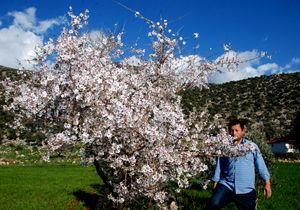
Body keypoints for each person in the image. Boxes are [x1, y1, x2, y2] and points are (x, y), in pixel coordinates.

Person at [208, 119, 272, 210]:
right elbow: (219, 164)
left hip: (245, 188)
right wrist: (215, 181)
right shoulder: (225, 146)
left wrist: (267, 183)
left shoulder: (252, 146)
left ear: (242, 131)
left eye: (236, 130)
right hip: (226, 185)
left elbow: (261, 165)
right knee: (212, 205)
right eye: (231, 130)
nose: (234, 133)